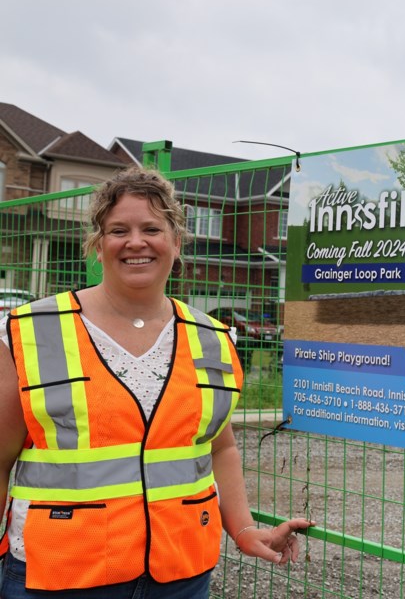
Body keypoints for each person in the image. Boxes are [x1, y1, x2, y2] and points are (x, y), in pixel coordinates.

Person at [0, 167, 313, 597]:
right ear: (98, 243)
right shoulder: (31, 331)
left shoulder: (212, 339)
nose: (135, 242)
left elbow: (219, 446)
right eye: (117, 230)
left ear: (176, 241)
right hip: (59, 573)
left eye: (152, 228)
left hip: (179, 574)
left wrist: (242, 529)